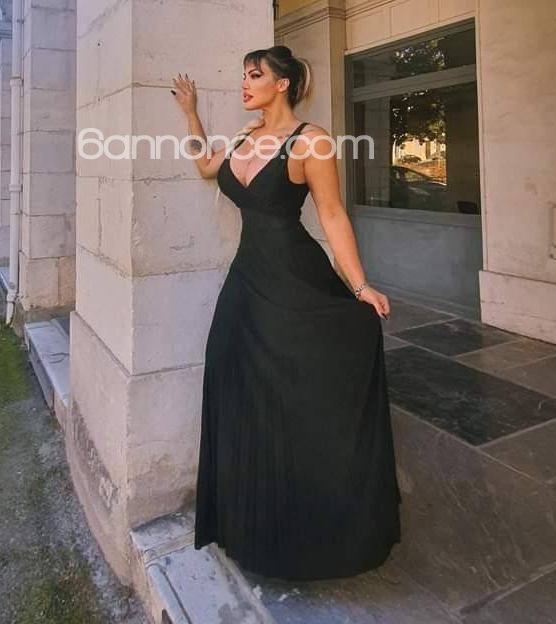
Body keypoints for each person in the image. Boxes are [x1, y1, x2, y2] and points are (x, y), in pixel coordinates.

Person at [171, 44, 401, 581]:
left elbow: (332, 214)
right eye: (243, 75)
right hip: (247, 281)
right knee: (231, 376)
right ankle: (252, 521)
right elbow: (205, 166)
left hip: (297, 280)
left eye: (254, 75)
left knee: (299, 395)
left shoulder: (311, 141)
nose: (244, 83)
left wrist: (360, 284)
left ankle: (314, 523)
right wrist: (191, 114)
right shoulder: (244, 138)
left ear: (282, 84)